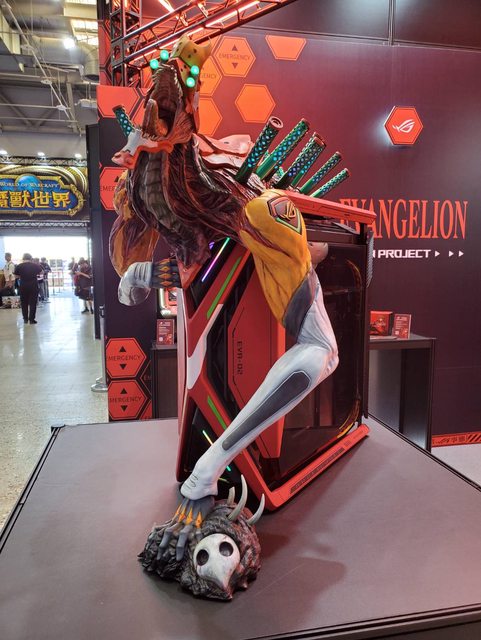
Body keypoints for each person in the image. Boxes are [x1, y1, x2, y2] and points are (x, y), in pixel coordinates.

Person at [14, 253, 43, 324]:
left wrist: (22, 276)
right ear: (30, 258)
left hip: (23, 286)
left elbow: (16, 276)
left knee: (24, 303)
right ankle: (32, 319)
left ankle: (25, 319)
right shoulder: (35, 265)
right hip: (33, 285)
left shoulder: (19, 266)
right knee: (33, 303)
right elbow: (42, 272)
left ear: (23, 258)